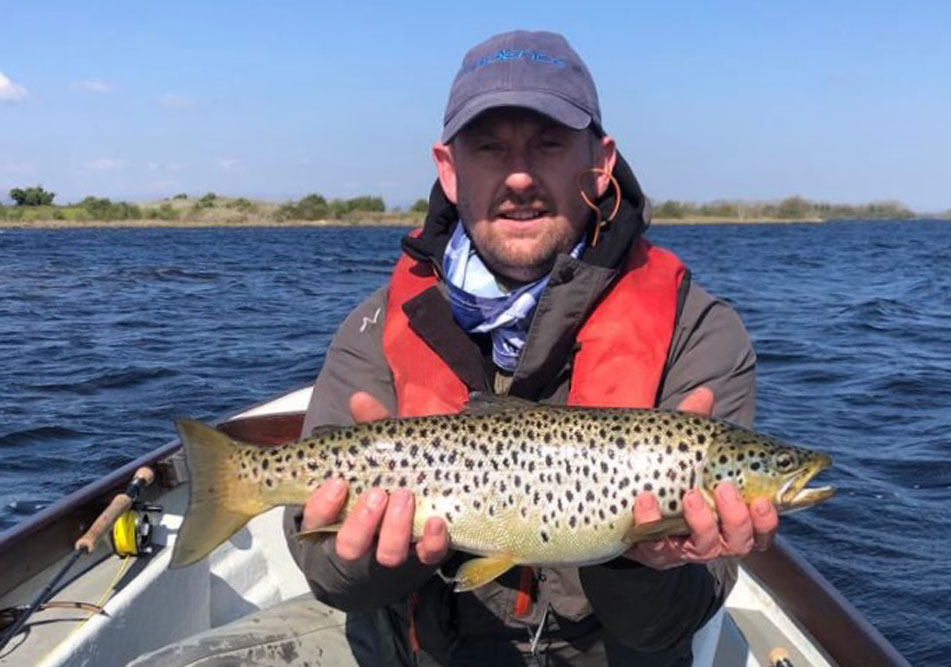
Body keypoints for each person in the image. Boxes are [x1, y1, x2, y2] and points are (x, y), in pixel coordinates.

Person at [131, 29, 777, 667]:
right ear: (448, 168)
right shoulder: (375, 326)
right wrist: (354, 558)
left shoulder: (699, 331)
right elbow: (328, 577)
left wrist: (643, 563)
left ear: (601, 163)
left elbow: (678, 618)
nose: (519, 175)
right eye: (490, 148)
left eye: (549, 144)